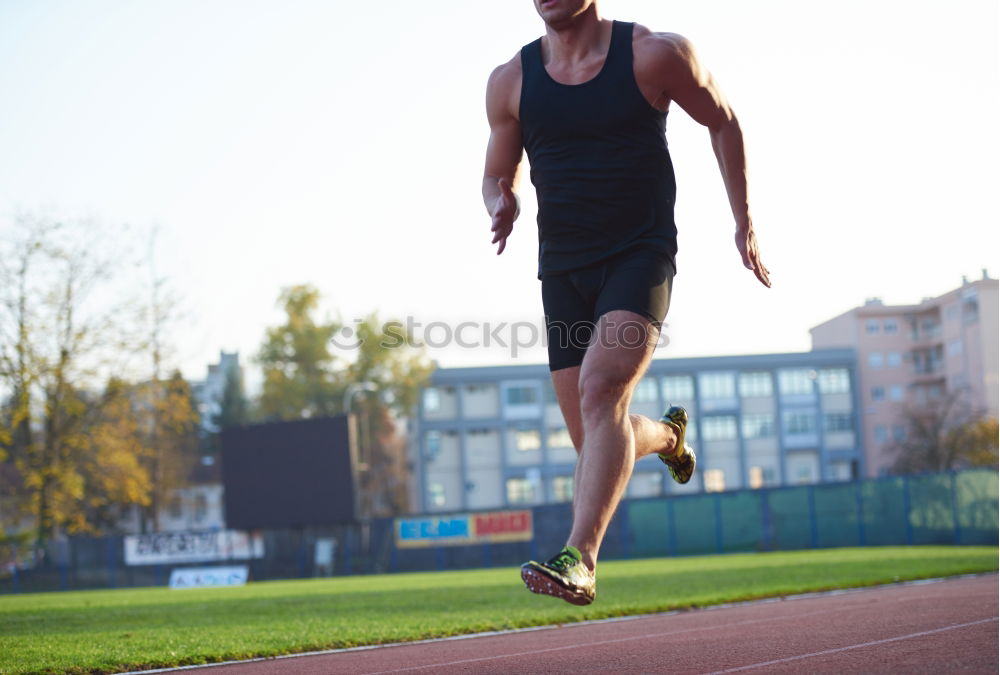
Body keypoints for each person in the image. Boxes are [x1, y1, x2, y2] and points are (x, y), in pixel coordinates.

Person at [482, 0, 770, 606]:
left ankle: (580, 559)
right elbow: (495, 171)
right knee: (594, 440)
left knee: (600, 393)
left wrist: (743, 221)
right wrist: (499, 201)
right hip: (562, 270)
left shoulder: (653, 54)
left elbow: (722, 121)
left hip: (639, 255)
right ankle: (668, 436)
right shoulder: (511, 80)